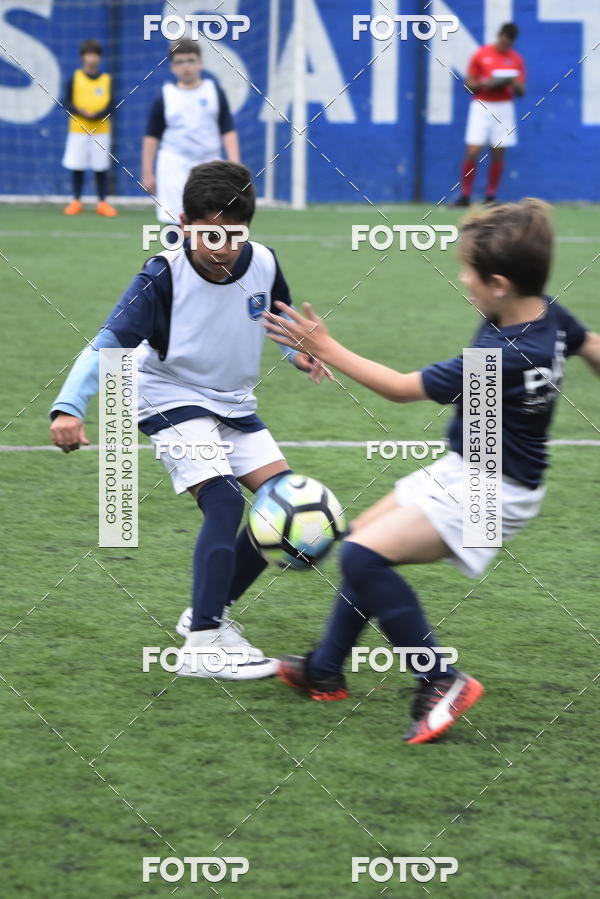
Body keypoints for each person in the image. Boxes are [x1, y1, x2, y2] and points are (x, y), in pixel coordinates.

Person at [265, 198, 600, 744]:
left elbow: (399, 389)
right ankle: (325, 669)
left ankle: (440, 679)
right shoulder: (547, 313)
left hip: (494, 490)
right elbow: (590, 345)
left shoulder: (502, 355)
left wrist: (324, 345)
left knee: (361, 557)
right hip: (474, 467)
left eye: (468, 271)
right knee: (362, 543)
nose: (462, 279)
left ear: (499, 283)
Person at [49, 160, 331, 680]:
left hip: (233, 402)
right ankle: (201, 647)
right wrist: (69, 405)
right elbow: (105, 345)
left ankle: (209, 612)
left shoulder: (264, 262)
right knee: (223, 501)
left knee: (283, 507)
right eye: (209, 235)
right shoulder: (163, 275)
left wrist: (300, 354)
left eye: (233, 235)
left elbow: (277, 314)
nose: (222, 247)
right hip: (166, 393)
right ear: (184, 222)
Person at [141, 40, 240, 227]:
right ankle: (175, 257)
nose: (186, 66)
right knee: (176, 221)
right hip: (174, 165)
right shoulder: (166, 96)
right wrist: (147, 172)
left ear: (200, 64)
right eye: (179, 62)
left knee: (211, 220)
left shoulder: (214, 91)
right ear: (172, 68)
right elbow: (151, 136)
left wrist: (234, 166)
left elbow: (227, 129)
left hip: (209, 165)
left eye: (191, 60)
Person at [453, 23, 525, 207]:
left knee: (498, 151)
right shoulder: (482, 54)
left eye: (509, 42)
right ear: (498, 35)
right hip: (482, 104)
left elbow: (521, 91)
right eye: (503, 39)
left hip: (504, 106)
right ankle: (465, 195)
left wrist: (513, 83)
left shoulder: (515, 59)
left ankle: (491, 196)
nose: (505, 44)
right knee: (473, 150)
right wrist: (485, 83)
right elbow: (468, 84)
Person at [62, 38, 117, 217]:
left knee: (100, 166)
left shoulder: (107, 79)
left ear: (99, 58)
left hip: (101, 130)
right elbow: (67, 103)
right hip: (78, 129)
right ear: (82, 57)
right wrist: (82, 112)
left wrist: (98, 115)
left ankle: (102, 202)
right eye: (88, 54)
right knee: (77, 165)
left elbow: (112, 105)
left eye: (95, 54)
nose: (92, 58)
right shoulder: (74, 78)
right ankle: (76, 200)